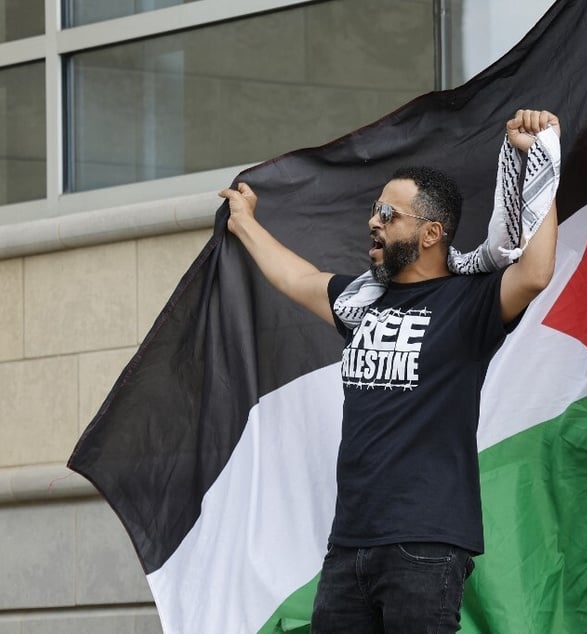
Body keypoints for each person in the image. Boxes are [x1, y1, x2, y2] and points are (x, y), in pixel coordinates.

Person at [219, 109, 560, 633]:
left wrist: (540, 155)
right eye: (376, 211)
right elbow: (299, 278)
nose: (373, 221)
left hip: (424, 545)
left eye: (388, 213)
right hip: (348, 545)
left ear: (430, 233)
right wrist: (243, 221)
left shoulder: (468, 304)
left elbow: (534, 273)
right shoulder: (363, 304)